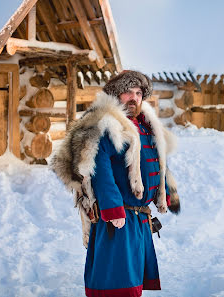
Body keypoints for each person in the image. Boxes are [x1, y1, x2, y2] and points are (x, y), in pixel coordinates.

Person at [51, 70, 180, 297]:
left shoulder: (144, 125)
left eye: (139, 93)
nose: (134, 97)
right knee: (115, 283)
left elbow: (159, 160)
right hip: (117, 218)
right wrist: (112, 208)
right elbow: (99, 165)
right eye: (128, 92)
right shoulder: (108, 124)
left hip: (139, 218)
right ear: (115, 94)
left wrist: (165, 191)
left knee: (132, 280)